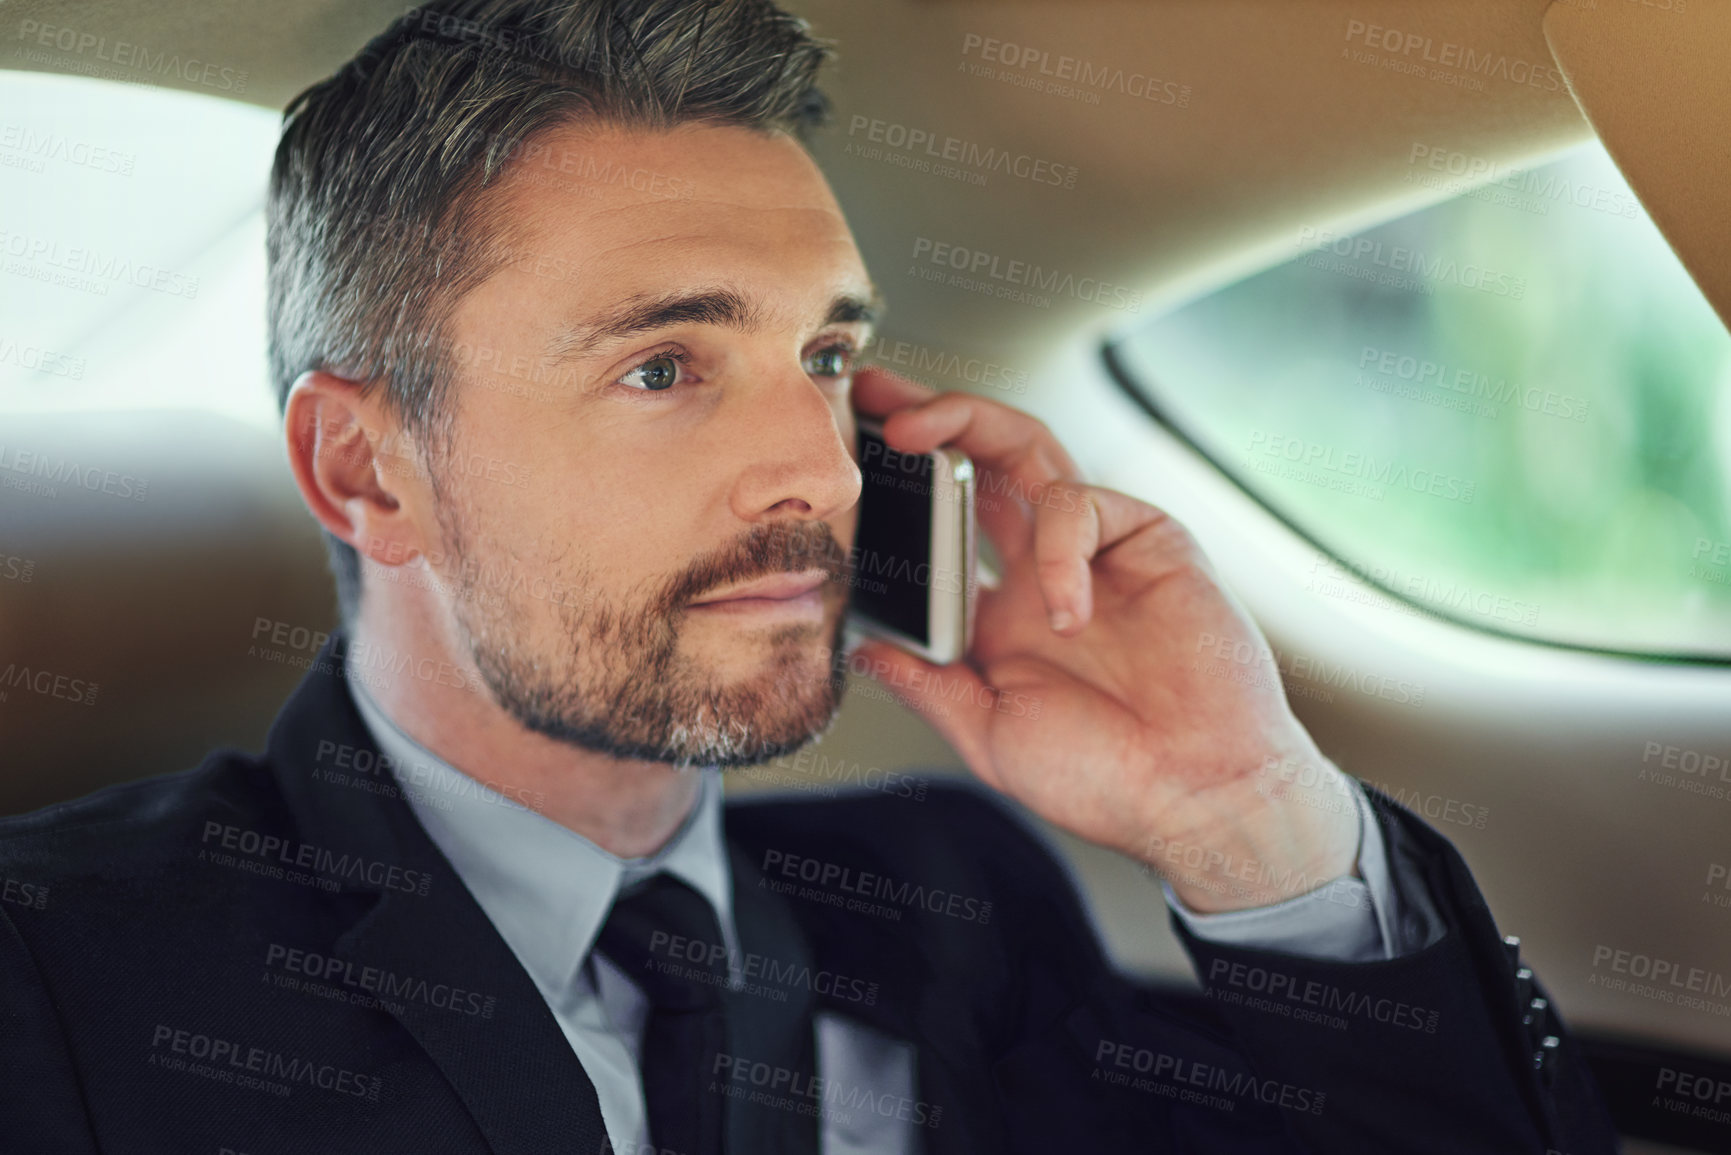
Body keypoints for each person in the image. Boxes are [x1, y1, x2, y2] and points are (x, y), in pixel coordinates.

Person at [0, 1, 1620, 1151]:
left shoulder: (948, 899)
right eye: (663, 367)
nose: (829, 469)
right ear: (365, 468)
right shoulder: (56, 974)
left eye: (829, 357)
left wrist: (1245, 813)